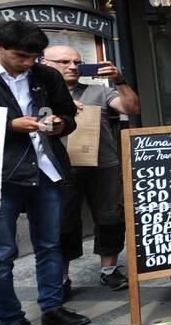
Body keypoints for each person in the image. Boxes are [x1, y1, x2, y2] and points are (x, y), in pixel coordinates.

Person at [0, 20, 91, 325]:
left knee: (51, 242)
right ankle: (11, 321)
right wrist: (10, 125)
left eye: (33, 57)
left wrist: (59, 123)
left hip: (46, 167)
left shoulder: (46, 75)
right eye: (20, 56)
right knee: (2, 254)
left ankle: (52, 305)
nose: (27, 63)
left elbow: (68, 114)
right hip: (3, 175)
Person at [41, 45, 140, 293]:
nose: (72, 67)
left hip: (104, 165)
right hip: (62, 167)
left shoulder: (98, 91)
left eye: (76, 62)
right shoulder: (39, 94)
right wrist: (63, 109)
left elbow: (132, 108)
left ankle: (109, 270)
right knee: (63, 222)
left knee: (111, 217)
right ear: (45, 63)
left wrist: (119, 80)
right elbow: (33, 125)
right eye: (63, 61)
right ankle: (61, 279)